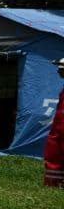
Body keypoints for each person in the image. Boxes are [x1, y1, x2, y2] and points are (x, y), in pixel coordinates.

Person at [45, 57, 64, 187]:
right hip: (58, 130)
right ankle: (54, 184)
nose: (58, 71)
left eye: (61, 68)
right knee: (54, 155)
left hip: (61, 131)